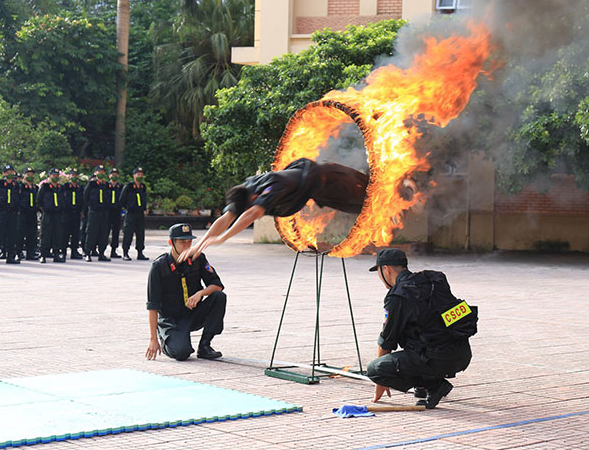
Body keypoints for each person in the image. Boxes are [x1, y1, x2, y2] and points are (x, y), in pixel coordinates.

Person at [179, 158, 369, 260]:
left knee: (369, 197)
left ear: (254, 198)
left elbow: (252, 214)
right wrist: (200, 244)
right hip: (319, 192)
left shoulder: (271, 186)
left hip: (332, 180)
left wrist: (223, 238)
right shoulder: (245, 191)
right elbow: (226, 218)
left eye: (249, 206)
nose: (249, 210)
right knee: (361, 207)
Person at [365, 249, 474, 409]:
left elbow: (387, 341)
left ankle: (434, 386)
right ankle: (426, 383)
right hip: (462, 354)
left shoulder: (397, 296)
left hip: (436, 358)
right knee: (416, 335)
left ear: (386, 269)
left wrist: (380, 379)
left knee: (374, 368)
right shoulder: (434, 280)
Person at [145, 223, 226, 362]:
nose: (187, 246)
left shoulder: (198, 258)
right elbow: (153, 306)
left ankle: (205, 345)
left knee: (219, 297)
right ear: (171, 243)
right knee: (181, 353)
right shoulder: (159, 266)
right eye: (182, 242)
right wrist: (153, 339)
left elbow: (217, 286)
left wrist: (200, 293)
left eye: (190, 242)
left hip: (193, 313)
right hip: (172, 320)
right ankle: (166, 339)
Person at [0, 165, 21, 264]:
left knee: (12, 235)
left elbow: (18, 198)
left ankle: (10, 256)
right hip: (1, 212)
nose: (9, 174)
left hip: (12, 213)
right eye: (7, 172)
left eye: (11, 172)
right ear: (3, 174)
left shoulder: (15, 185)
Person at [120, 166, 148, 261]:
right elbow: (122, 199)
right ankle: (125, 252)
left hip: (140, 213)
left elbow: (144, 199)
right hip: (131, 213)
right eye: (138, 174)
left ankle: (140, 252)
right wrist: (128, 207)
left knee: (140, 233)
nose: (140, 176)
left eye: (141, 174)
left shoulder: (143, 187)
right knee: (128, 233)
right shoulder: (129, 187)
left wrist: (144, 208)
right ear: (134, 176)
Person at [83, 165, 111, 262]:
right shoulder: (91, 184)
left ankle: (102, 253)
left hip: (104, 212)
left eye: (103, 172)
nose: (101, 173)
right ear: (95, 173)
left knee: (103, 233)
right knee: (91, 232)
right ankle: (87, 253)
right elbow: (85, 197)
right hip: (94, 212)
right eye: (99, 172)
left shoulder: (106, 185)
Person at [37, 168, 65, 263]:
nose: (55, 177)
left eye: (57, 176)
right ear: (49, 177)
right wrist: (44, 210)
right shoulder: (44, 187)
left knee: (57, 235)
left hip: (58, 214)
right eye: (53, 175)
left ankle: (56, 254)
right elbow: (39, 201)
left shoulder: (60, 188)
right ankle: (43, 255)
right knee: (45, 235)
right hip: (48, 214)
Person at [16, 168, 39, 261]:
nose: (30, 176)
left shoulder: (35, 188)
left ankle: (31, 253)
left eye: (31, 174)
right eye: (28, 174)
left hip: (32, 213)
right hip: (22, 213)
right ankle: (18, 252)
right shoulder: (20, 187)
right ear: (24, 176)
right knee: (20, 234)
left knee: (32, 234)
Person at [63, 169, 84, 259]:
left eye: (75, 175)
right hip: (67, 213)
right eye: (72, 175)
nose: (74, 177)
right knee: (65, 233)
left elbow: (83, 200)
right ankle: (63, 251)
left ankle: (74, 251)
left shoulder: (80, 187)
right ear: (69, 176)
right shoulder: (65, 186)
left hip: (77, 213)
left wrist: (82, 211)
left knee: (76, 233)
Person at [106, 168, 123, 259]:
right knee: (105, 231)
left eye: (116, 174)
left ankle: (114, 250)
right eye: (112, 174)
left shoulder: (120, 187)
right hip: (108, 211)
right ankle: (102, 250)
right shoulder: (106, 186)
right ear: (109, 176)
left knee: (116, 232)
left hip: (117, 211)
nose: (114, 176)